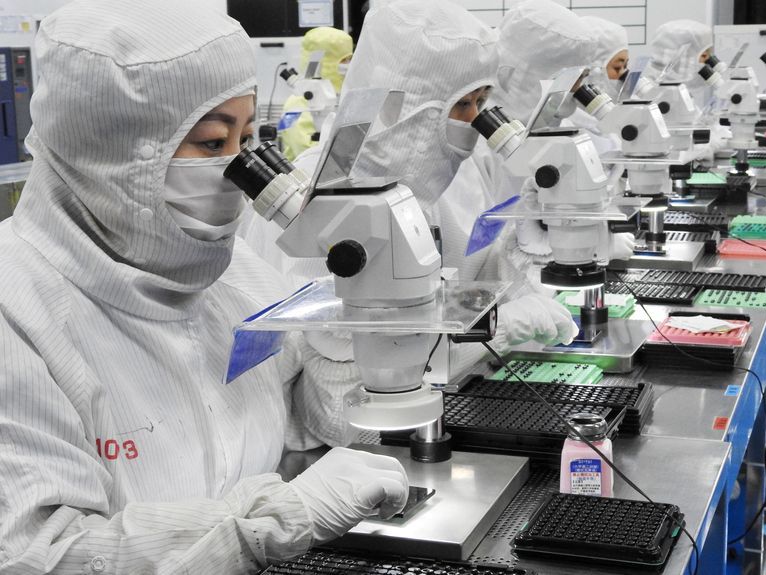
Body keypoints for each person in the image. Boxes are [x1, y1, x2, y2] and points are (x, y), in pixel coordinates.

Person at [0, 1, 410, 573]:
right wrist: (272, 520)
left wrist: (342, 345)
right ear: (112, 154)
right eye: (213, 144)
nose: (239, 171)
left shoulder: (235, 272)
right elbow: (47, 557)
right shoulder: (15, 310)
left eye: (246, 138)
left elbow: (326, 432)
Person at [241, 0, 579, 367]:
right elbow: (336, 376)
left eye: (482, 101)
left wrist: (527, 242)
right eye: (463, 104)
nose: (475, 121)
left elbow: (473, 274)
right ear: (403, 106)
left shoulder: (444, 185)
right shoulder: (314, 203)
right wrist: (499, 327)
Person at [486, 0, 635, 292]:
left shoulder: (554, 128)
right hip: (503, 302)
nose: (579, 89)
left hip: (540, 288)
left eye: (582, 77)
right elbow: (478, 247)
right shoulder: (485, 145)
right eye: (570, 79)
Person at [278, 27, 353, 161]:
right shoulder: (295, 103)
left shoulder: (343, 96)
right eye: (343, 60)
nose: (348, 64)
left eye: (350, 58)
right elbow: (301, 148)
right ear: (324, 61)